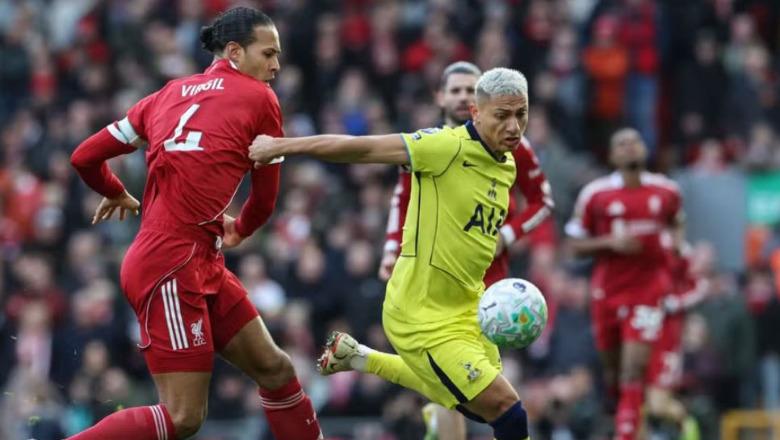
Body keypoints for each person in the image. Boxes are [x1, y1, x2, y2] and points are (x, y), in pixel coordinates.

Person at [67, 7, 322, 440]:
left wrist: (113, 190)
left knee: (275, 368)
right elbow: (265, 199)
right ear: (236, 51)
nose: (277, 65)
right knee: (184, 417)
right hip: (170, 263)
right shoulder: (261, 99)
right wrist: (242, 227)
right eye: (269, 54)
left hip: (194, 258)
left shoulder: (166, 94)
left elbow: (84, 157)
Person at [250, 67, 533, 440]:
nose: (514, 126)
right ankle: (364, 358)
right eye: (502, 115)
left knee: (479, 412)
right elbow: (361, 147)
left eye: (521, 114)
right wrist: (280, 146)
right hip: (422, 314)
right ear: (476, 113)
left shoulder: (507, 163)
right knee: (509, 413)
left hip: (468, 306)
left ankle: (360, 357)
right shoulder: (443, 147)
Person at [378, 61, 553, 440]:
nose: (461, 96)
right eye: (454, 90)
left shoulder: (513, 142)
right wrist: (392, 249)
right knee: (474, 387)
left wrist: (507, 235)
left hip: (489, 279)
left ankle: (374, 368)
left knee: (486, 389)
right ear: (440, 97)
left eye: (469, 89)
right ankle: (439, 420)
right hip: (436, 279)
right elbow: (402, 198)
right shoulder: (432, 145)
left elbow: (544, 203)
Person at [565, 128, 684, 440]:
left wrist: (676, 249)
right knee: (615, 375)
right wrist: (609, 242)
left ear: (644, 150)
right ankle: (633, 424)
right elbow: (574, 245)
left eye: (635, 142)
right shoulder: (596, 194)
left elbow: (678, 221)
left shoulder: (666, 190)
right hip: (607, 291)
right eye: (622, 144)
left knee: (634, 368)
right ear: (612, 155)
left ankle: (626, 434)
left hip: (648, 289)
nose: (630, 148)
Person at [642, 243, 707, 440]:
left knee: (657, 402)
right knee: (637, 397)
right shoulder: (646, 247)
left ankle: (687, 424)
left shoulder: (679, 250)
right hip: (641, 335)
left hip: (666, 342)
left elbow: (699, 286)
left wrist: (674, 302)